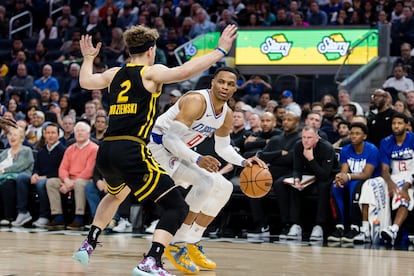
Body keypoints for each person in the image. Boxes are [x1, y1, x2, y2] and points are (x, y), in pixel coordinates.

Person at [71, 24, 238, 276]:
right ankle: (150, 261)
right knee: (177, 208)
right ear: (151, 50)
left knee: (116, 195)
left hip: (106, 150)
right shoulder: (151, 72)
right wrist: (219, 51)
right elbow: (183, 72)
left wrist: (88, 59)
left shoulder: (115, 73)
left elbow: (85, 81)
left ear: (129, 50)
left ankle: (89, 243)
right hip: (132, 148)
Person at [147, 66, 267, 274]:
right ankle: (177, 244)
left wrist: (244, 162)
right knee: (207, 181)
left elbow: (223, 148)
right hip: (159, 151)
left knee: (225, 187)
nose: (225, 87)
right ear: (212, 82)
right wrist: (198, 158)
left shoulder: (226, 114)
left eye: (230, 84)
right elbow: (170, 139)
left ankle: (192, 242)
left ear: (235, 88)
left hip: (180, 153)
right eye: (221, 82)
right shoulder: (197, 101)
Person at [328, 122, 381, 243]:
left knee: (355, 187)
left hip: (371, 181)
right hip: (352, 178)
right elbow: (344, 170)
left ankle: (355, 227)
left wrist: (347, 176)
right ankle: (339, 226)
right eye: (351, 133)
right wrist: (340, 178)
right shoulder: (346, 150)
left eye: (357, 134)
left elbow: (367, 174)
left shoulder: (372, 150)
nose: (353, 136)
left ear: (364, 136)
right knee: (335, 187)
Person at [286, 125, 336, 241]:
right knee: (295, 187)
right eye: (304, 137)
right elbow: (297, 168)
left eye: (309, 137)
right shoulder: (299, 145)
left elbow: (324, 175)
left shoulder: (327, 148)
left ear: (316, 138)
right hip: (308, 176)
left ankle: (319, 226)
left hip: (327, 175)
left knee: (323, 187)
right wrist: (296, 178)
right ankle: (295, 224)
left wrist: (310, 159)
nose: (306, 140)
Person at [45, 122, 98, 230]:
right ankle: (58, 216)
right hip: (69, 180)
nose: (79, 133)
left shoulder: (94, 148)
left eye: (82, 131)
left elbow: (89, 170)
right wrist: (66, 180)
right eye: (77, 131)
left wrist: (71, 184)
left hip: (85, 180)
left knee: (79, 183)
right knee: (51, 182)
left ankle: (79, 217)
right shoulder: (70, 149)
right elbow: (63, 168)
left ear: (88, 134)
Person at [12, 123, 66, 228]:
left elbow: (62, 170)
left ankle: (44, 216)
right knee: (22, 177)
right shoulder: (42, 151)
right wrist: (35, 174)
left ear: (58, 135)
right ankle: (22, 212)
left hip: (55, 178)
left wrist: (45, 177)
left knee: (41, 183)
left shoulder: (63, 150)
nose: (50, 135)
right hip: (41, 177)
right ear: (44, 134)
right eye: (48, 133)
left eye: (53, 133)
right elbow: (36, 166)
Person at [378, 113, 414, 245]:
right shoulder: (386, 142)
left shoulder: (413, 139)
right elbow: (385, 169)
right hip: (395, 177)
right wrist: (389, 183)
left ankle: (393, 229)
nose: (396, 126)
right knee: (370, 185)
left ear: (406, 125)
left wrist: (406, 186)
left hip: (411, 176)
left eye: (399, 123)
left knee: (405, 195)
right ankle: (366, 228)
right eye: (394, 123)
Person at [0, 126, 34, 226]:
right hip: (3, 176)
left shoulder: (26, 150)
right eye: (10, 134)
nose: (12, 137)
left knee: (7, 184)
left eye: (15, 135)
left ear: (21, 138)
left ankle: (9, 216)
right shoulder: (4, 152)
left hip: (20, 178)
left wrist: (3, 171)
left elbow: (20, 165)